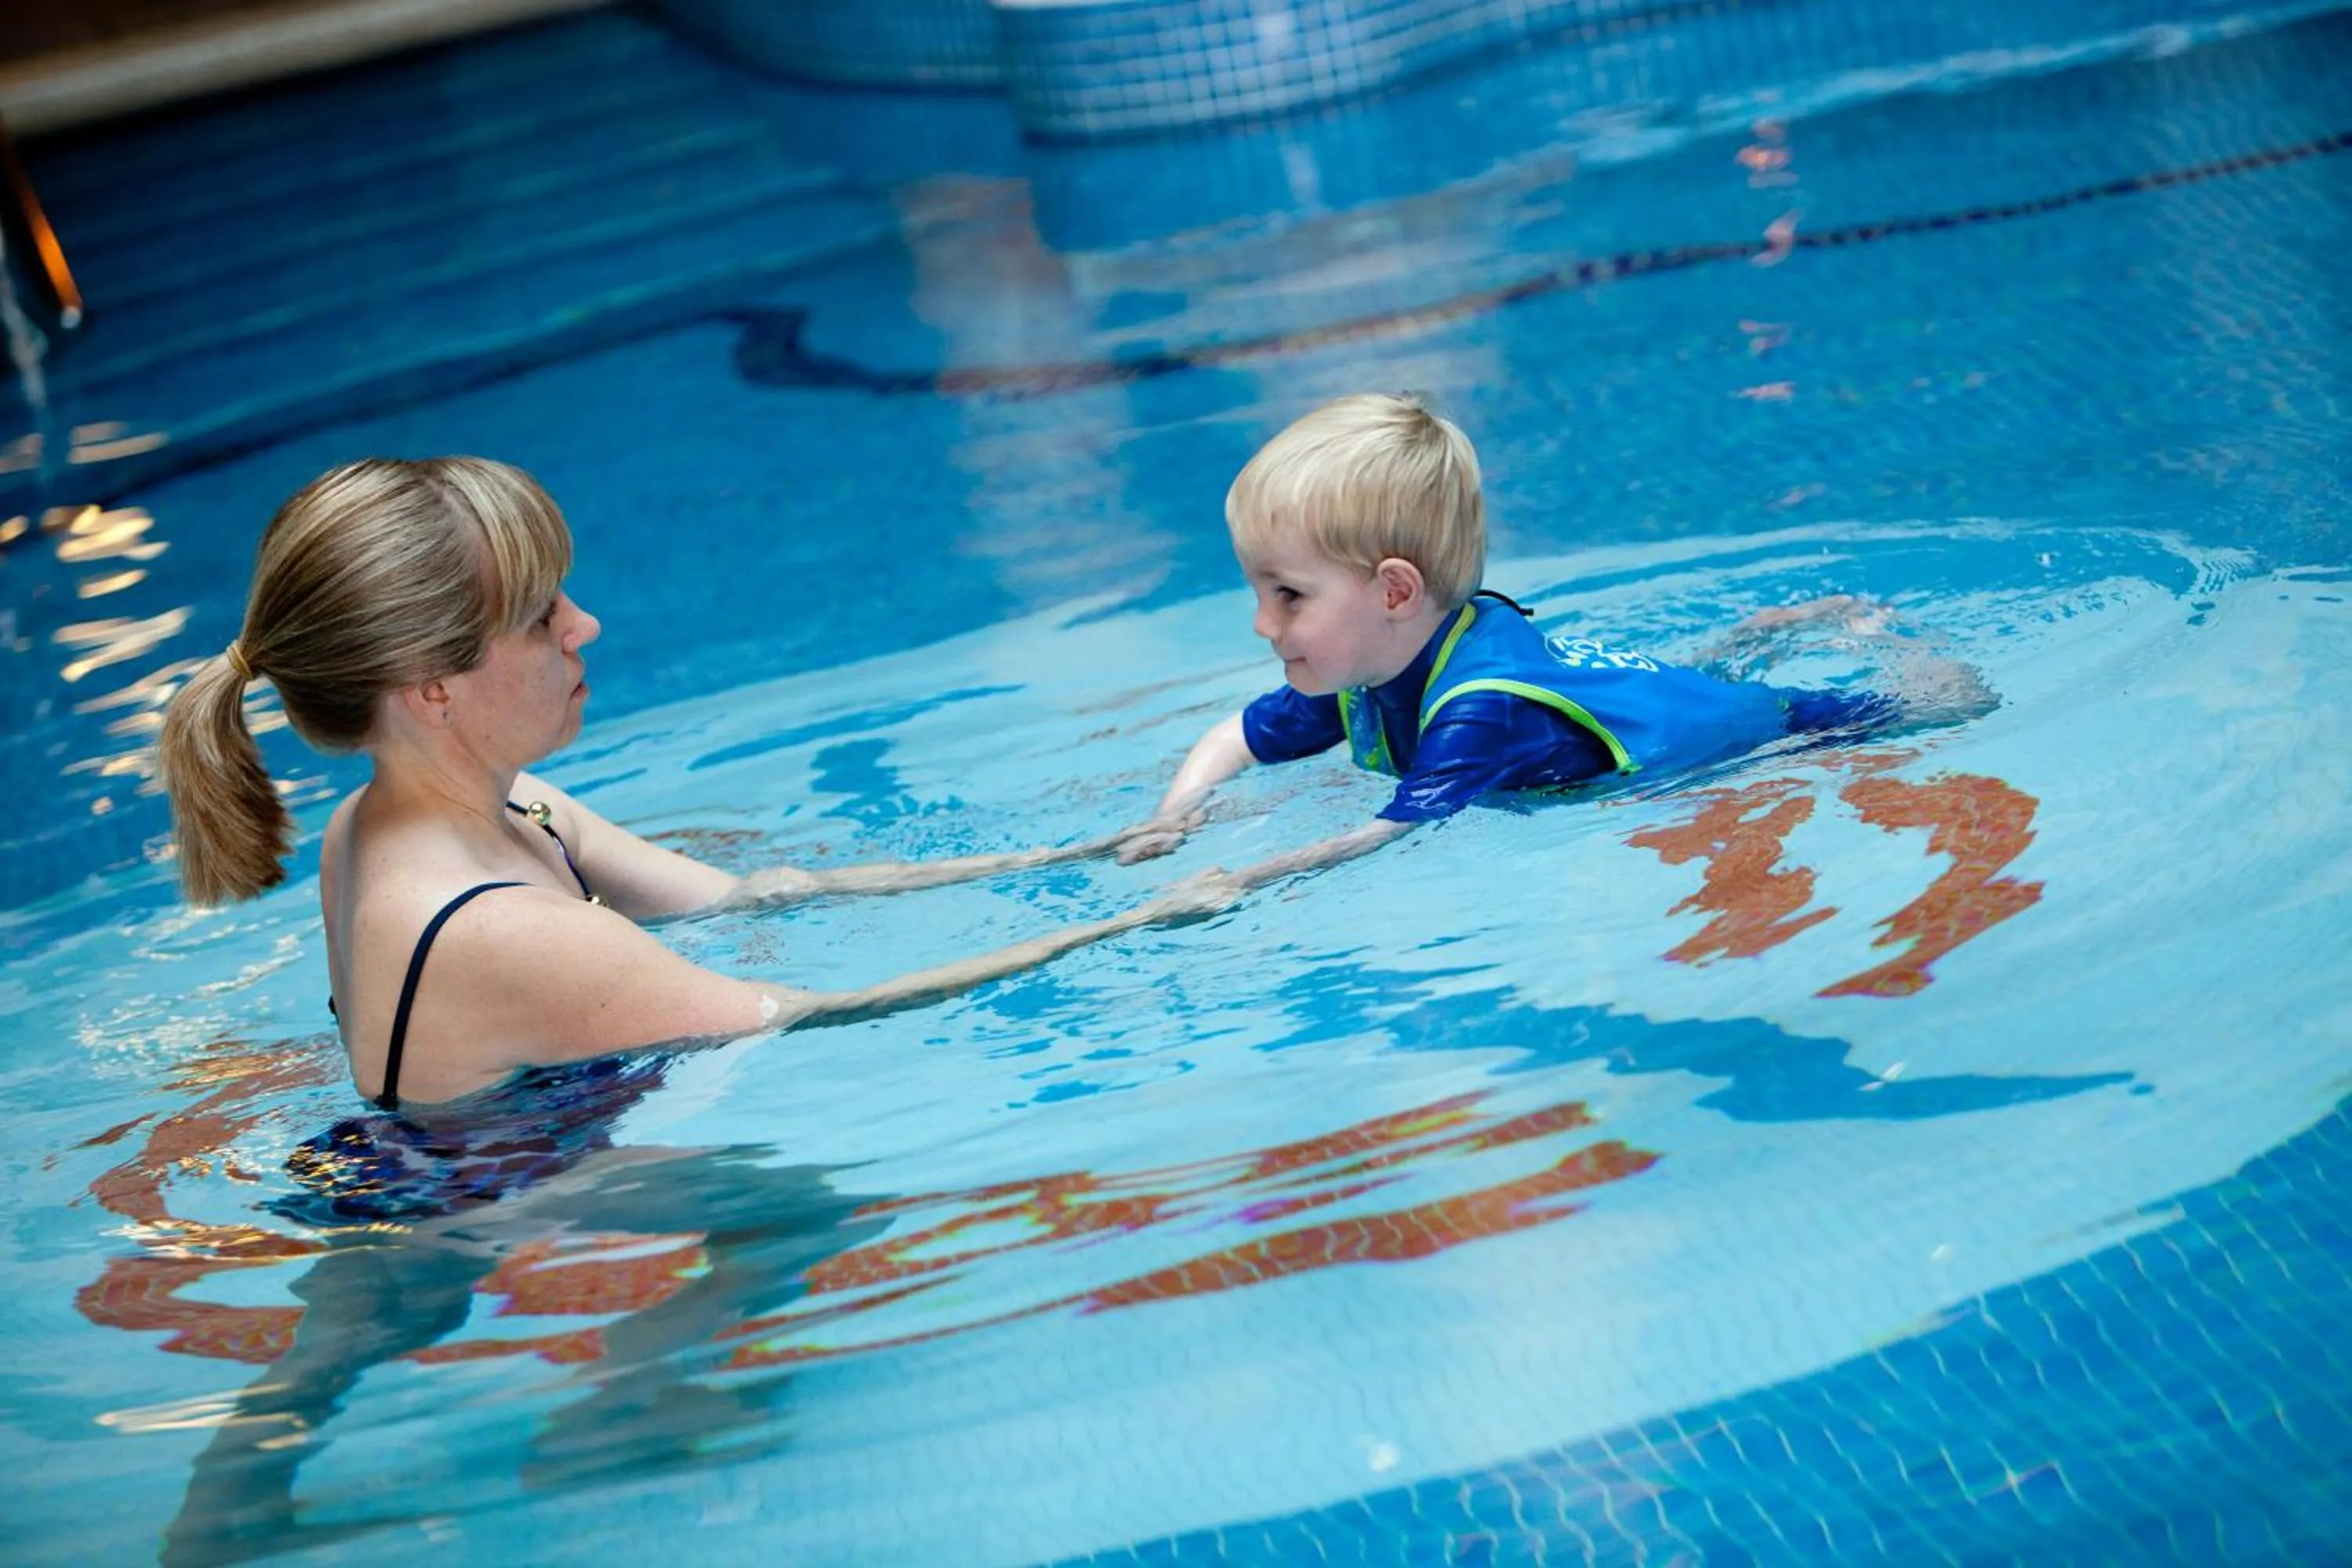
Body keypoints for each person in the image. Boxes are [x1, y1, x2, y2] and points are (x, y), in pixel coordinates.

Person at [158, 457, 1209, 1110]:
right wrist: (1145, 922)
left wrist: (1080, 850)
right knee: (793, 1216)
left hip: (453, 1157)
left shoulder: (435, 814)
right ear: (432, 690)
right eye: (540, 619)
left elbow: (753, 897)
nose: (585, 627)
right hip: (498, 1213)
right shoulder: (503, 929)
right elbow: (815, 1012)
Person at [1120, 393, 1992, 889]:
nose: (1262, 625)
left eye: (1287, 595)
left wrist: (1240, 879)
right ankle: (1761, 635)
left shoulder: (1480, 713)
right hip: (1638, 686)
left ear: (1393, 591)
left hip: (1751, 732)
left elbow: (1385, 835)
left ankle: (1892, 655)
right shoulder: (1362, 662)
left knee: (1918, 710)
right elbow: (1232, 735)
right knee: (1686, 675)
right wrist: (1173, 816)